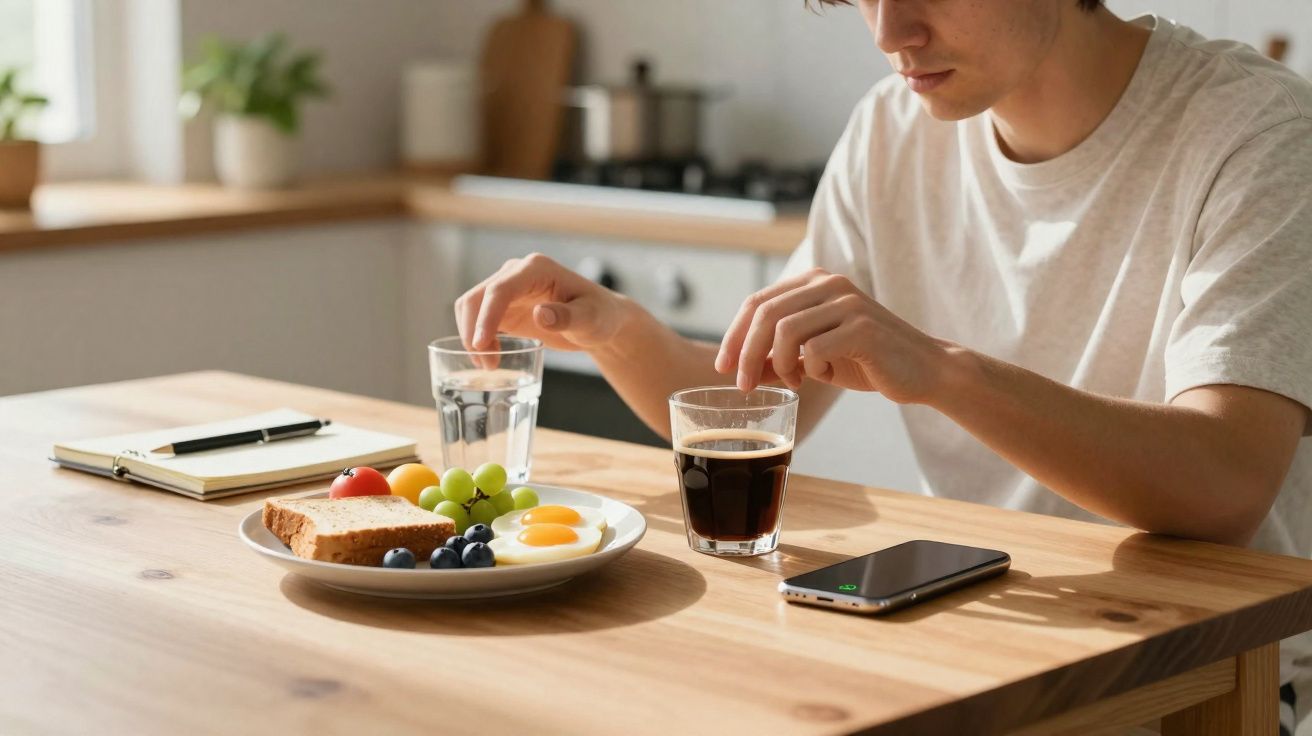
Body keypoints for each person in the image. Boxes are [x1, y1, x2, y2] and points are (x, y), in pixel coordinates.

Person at [455, 1, 1311, 731]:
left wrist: (939, 369)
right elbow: (747, 402)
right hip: (985, 638)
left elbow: (1226, 482)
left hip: (1222, 669)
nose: (889, 31)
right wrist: (611, 327)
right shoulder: (891, 129)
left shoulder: (1259, 135)